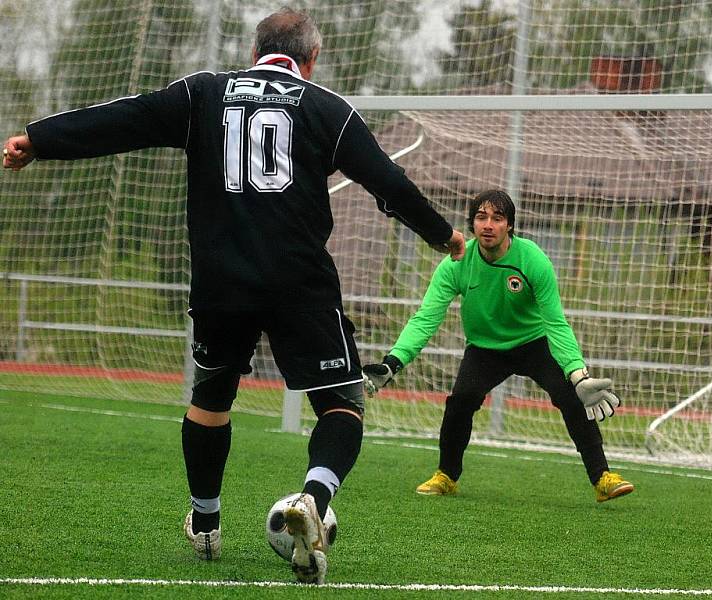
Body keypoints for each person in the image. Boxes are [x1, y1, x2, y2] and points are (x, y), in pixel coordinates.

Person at [3, 8, 465, 585]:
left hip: (222, 281)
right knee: (342, 403)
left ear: (255, 51)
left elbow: (125, 119)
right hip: (300, 280)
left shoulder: (202, 94)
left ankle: (205, 522)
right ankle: (314, 499)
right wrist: (443, 235)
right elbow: (389, 184)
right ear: (311, 57)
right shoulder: (326, 107)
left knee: (212, 397)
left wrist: (39, 139)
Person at [363, 189, 633, 502]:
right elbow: (426, 319)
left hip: (534, 343)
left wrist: (578, 376)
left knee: (572, 399)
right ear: (472, 224)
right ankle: (447, 476)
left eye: (497, 218)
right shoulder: (456, 263)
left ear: (510, 226)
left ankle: (602, 478)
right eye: (481, 217)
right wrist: (392, 362)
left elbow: (556, 324)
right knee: (460, 402)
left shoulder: (533, 260)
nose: (488, 224)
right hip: (484, 349)